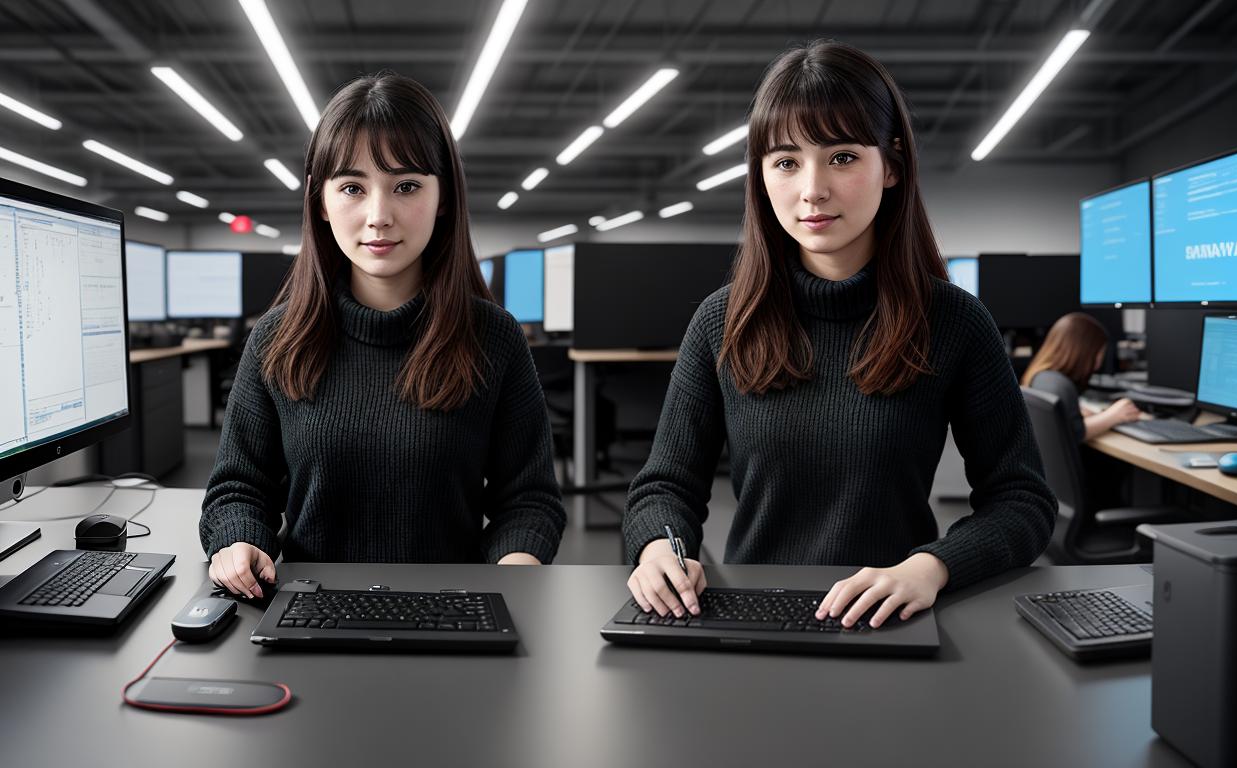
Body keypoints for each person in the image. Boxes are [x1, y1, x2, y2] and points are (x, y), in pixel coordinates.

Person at [621, 41, 1056, 629]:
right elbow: (666, 484)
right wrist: (660, 549)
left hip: (892, 614)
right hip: (753, 615)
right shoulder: (724, 321)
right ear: (761, 176)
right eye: (786, 161)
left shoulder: (954, 323)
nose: (812, 189)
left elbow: (1021, 502)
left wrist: (930, 566)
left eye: (843, 157)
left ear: (892, 166)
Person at [201, 72, 565, 599]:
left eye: (407, 186)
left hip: (453, 611)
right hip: (308, 610)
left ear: (444, 199)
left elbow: (528, 500)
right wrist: (238, 541)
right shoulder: (277, 340)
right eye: (352, 187)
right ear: (321, 202)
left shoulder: (493, 338)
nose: (378, 216)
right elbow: (238, 489)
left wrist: (513, 569)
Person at [1021, 312, 1143, 442]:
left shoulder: (1040, 376)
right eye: (1100, 353)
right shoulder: (1061, 385)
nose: (1098, 364)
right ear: (1085, 352)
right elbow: (1075, 433)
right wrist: (1114, 415)